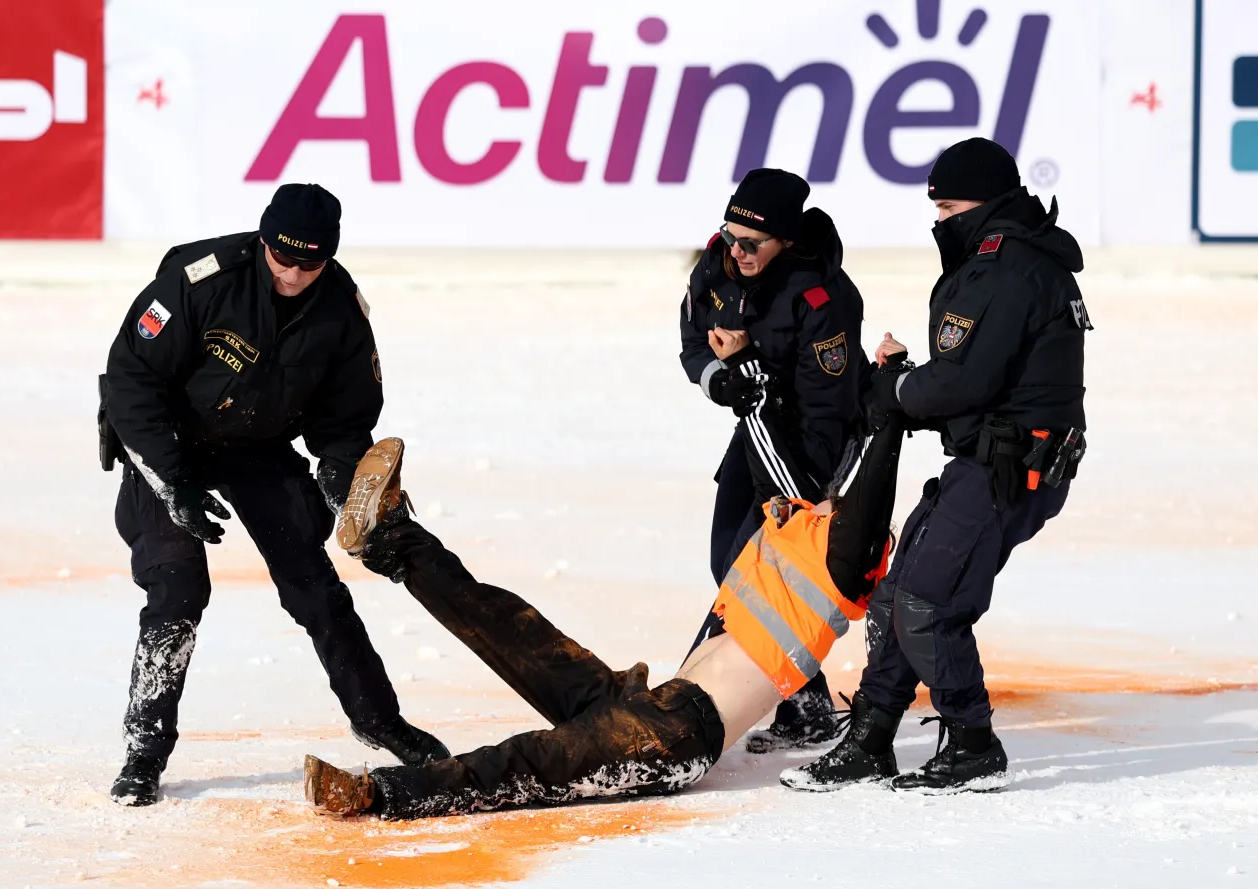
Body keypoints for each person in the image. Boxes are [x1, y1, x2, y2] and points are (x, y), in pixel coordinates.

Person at [302, 407, 907, 819]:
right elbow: (845, 469)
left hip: (672, 739)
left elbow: (873, 485)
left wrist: (892, 412)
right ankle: (392, 539)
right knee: (511, 629)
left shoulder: (838, 568)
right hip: (646, 701)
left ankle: (376, 795)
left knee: (529, 764)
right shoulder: (799, 531)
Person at [99, 184, 448, 806]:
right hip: (165, 440)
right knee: (177, 586)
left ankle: (378, 720)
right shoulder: (199, 279)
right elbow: (131, 378)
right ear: (264, 242)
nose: (291, 275)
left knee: (314, 585)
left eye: (308, 265)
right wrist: (170, 478)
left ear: (328, 259)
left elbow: (344, 427)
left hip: (256, 447)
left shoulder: (341, 312)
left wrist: (344, 490)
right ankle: (143, 753)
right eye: (281, 259)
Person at [783, 137, 1090, 795]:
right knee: (898, 595)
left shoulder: (1005, 270)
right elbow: (977, 380)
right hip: (993, 459)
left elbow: (963, 382)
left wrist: (893, 388)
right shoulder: (1015, 263)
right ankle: (870, 738)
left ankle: (974, 744)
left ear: (982, 202)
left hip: (1009, 469)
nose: (939, 220)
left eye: (947, 206)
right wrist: (910, 382)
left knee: (926, 602)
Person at [678, 168, 870, 751]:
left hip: (812, 440)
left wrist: (749, 379)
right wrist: (722, 382)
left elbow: (824, 418)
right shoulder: (717, 264)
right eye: (730, 235)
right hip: (753, 421)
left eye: (752, 243)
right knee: (725, 560)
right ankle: (806, 702)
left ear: (785, 240)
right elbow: (692, 341)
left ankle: (699, 707)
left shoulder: (823, 298)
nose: (737, 251)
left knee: (754, 567)